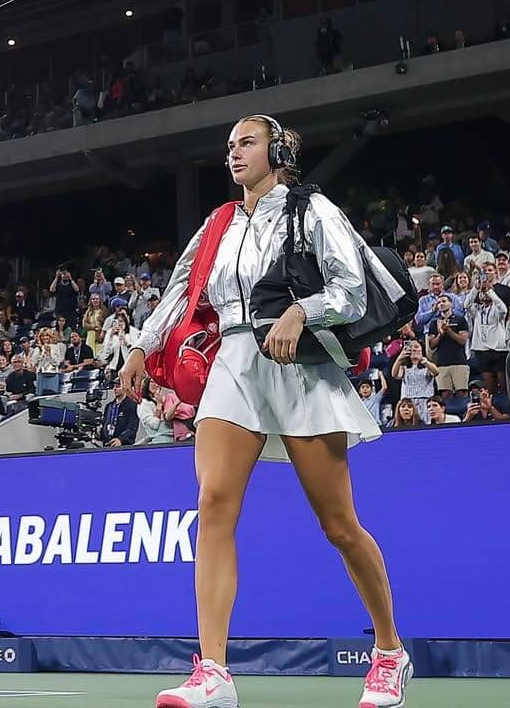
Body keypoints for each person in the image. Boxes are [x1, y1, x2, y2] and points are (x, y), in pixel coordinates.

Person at [120, 115, 411, 708]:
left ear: (277, 150)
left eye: (246, 143)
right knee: (213, 504)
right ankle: (214, 673)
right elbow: (180, 289)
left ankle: (389, 652)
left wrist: (303, 311)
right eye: (228, 146)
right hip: (233, 360)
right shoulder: (219, 223)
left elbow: (352, 288)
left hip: (300, 363)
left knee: (339, 525)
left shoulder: (314, 209)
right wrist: (142, 346)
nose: (233, 154)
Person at [425, 295, 469, 398]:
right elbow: (432, 345)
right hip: (442, 364)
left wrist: (448, 330)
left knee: (461, 393)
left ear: (451, 304)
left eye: (444, 301)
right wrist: (441, 334)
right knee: (445, 395)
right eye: (439, 302)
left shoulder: (460, 320)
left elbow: (462, 341)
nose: (441, 304)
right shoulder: (434, 323)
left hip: (459, 362)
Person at [390, 339, 438, 422]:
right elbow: (395, 375)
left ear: (422, 349)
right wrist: (399, 359)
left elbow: (436, 372)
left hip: (425, 401)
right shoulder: (404, 367)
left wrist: (424, 361)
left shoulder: (427, 365)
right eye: (411, 348)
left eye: (416, 347)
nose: (414, 349)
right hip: (409, 403)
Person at [102, 375, 139, 448]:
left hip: (124, 446)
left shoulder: (132, 405)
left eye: (118, 386)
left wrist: (120, 439)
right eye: (114, 386)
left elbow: (132, 427)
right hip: (108, 445)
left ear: (125, 387)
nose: (115, 389)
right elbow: (105, 424)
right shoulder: (109, 406)